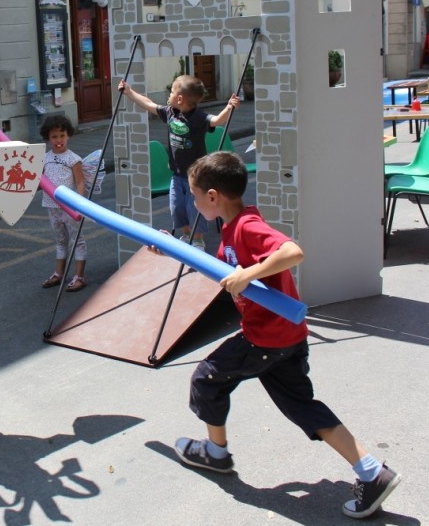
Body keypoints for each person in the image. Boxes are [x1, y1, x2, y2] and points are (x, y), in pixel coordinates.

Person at [167, 151, 401, 520]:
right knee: (302, 406)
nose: (192, 202)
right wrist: (168, 250)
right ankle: (372, 471)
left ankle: (216, 453)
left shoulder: (246, 226)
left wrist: (249, 273)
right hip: (284, 336)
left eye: (195, 196)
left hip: (265, 337)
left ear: (213, 196)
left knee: (206, 380)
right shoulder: (231, 228)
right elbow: (220, 274)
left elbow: (293, 252)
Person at [118, 76, 239, 249]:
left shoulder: (198, 118)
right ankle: (186, 234)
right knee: (177, 207)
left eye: (172, 91)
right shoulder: (170, 113)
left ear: (180, 98)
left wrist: (229, 107)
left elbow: (217, 120)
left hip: (196, 177)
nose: (169, 94)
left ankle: (197, 240)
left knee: (194, 208)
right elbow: (148, 104)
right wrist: (129, 92)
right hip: (177, 173)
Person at [39, 114, 87, 292]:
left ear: (68, 135)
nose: (58, 140)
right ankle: (59, 273)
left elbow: (80, 182)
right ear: (48, 138)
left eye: (62, 135)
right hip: (52, 206)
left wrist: (79, 204)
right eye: (54, 137)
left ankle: (79, 276)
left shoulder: (73, 159)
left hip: (70, 207)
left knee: (77, 241)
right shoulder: (44, 157)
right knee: (60, 241)